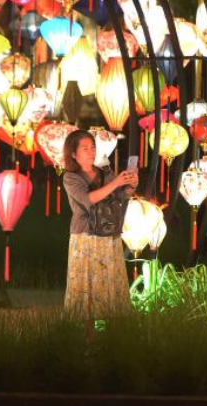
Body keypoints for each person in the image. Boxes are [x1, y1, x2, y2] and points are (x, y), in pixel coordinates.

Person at [61, 129, 138, 322]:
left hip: (109, 234)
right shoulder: (71, 177)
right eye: (85, 148)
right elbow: (88, 199)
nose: (91, 151)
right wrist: (116, 183)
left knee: (109, 282)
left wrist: (130, 185)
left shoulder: (106, 173)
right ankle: (87, 337)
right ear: (73, 154)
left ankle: (111, 336)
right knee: (86, 286)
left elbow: (119, 198)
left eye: (92, 146)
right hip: (85, 236)